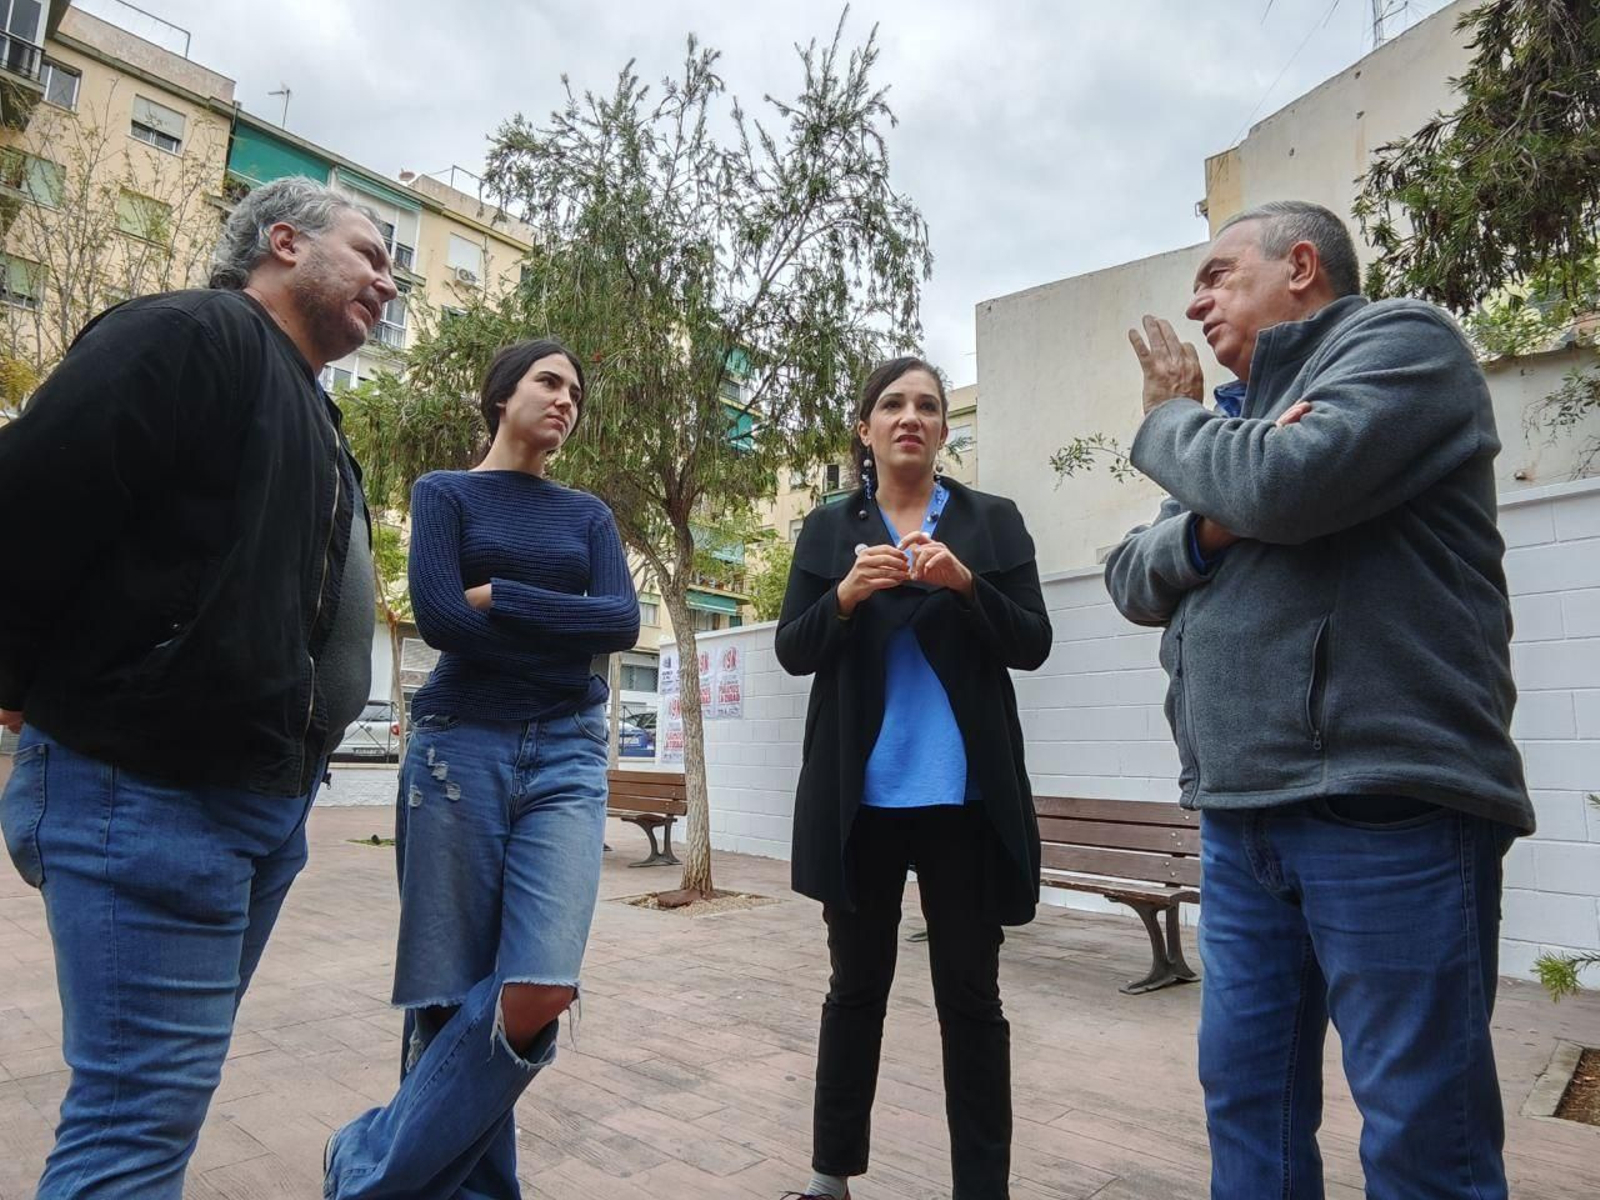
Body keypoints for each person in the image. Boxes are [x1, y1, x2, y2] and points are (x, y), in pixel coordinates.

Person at [1104, 200, 1533, 1199]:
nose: (1195, 303)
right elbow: (1130, 574)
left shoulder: (1403, 344)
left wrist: (1172, 425)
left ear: (1299, 266)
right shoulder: (1231, 429)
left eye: (1217, 275)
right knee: (1246, 1107)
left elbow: (1283, 488)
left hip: (1385, 806)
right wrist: (1212, 524)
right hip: (1241, 816)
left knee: (1422, 1137)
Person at [0, 175, 396, 1197]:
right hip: (151, 791)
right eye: (370, 252)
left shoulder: (306, 400)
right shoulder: (191, 335)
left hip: (254, 807)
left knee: (157, 1108)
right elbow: (26, 500)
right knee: (134, 1123)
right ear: (283, 241)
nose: (388, 282)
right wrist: (17, 684)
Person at [323, 338, 640, 1199]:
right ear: (503, 393)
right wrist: (561, 633)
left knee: (540, 985)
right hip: (459, 747)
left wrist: (502, 597)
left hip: (568, 751)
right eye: (549, 381)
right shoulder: (445, 494)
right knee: (449, 992)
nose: (566, 399)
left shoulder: (587, 515)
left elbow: (619, 622)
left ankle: (365, 1160)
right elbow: (439, 620)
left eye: (576, 391)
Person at [776, 357, 1053, 1200]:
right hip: (859, 803)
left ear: (942, 429)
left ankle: (983, 1188)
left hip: (965, 803)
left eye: (928, 406)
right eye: (892, 404)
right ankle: (829, 1180)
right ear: (865, 429)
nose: (911, 417)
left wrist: (964, 584)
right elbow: (794, 650)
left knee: (972, 1000)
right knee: (854, 992)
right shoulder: (830, 529)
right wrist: (846, 596)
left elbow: (1032, 643)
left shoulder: (990, 520)